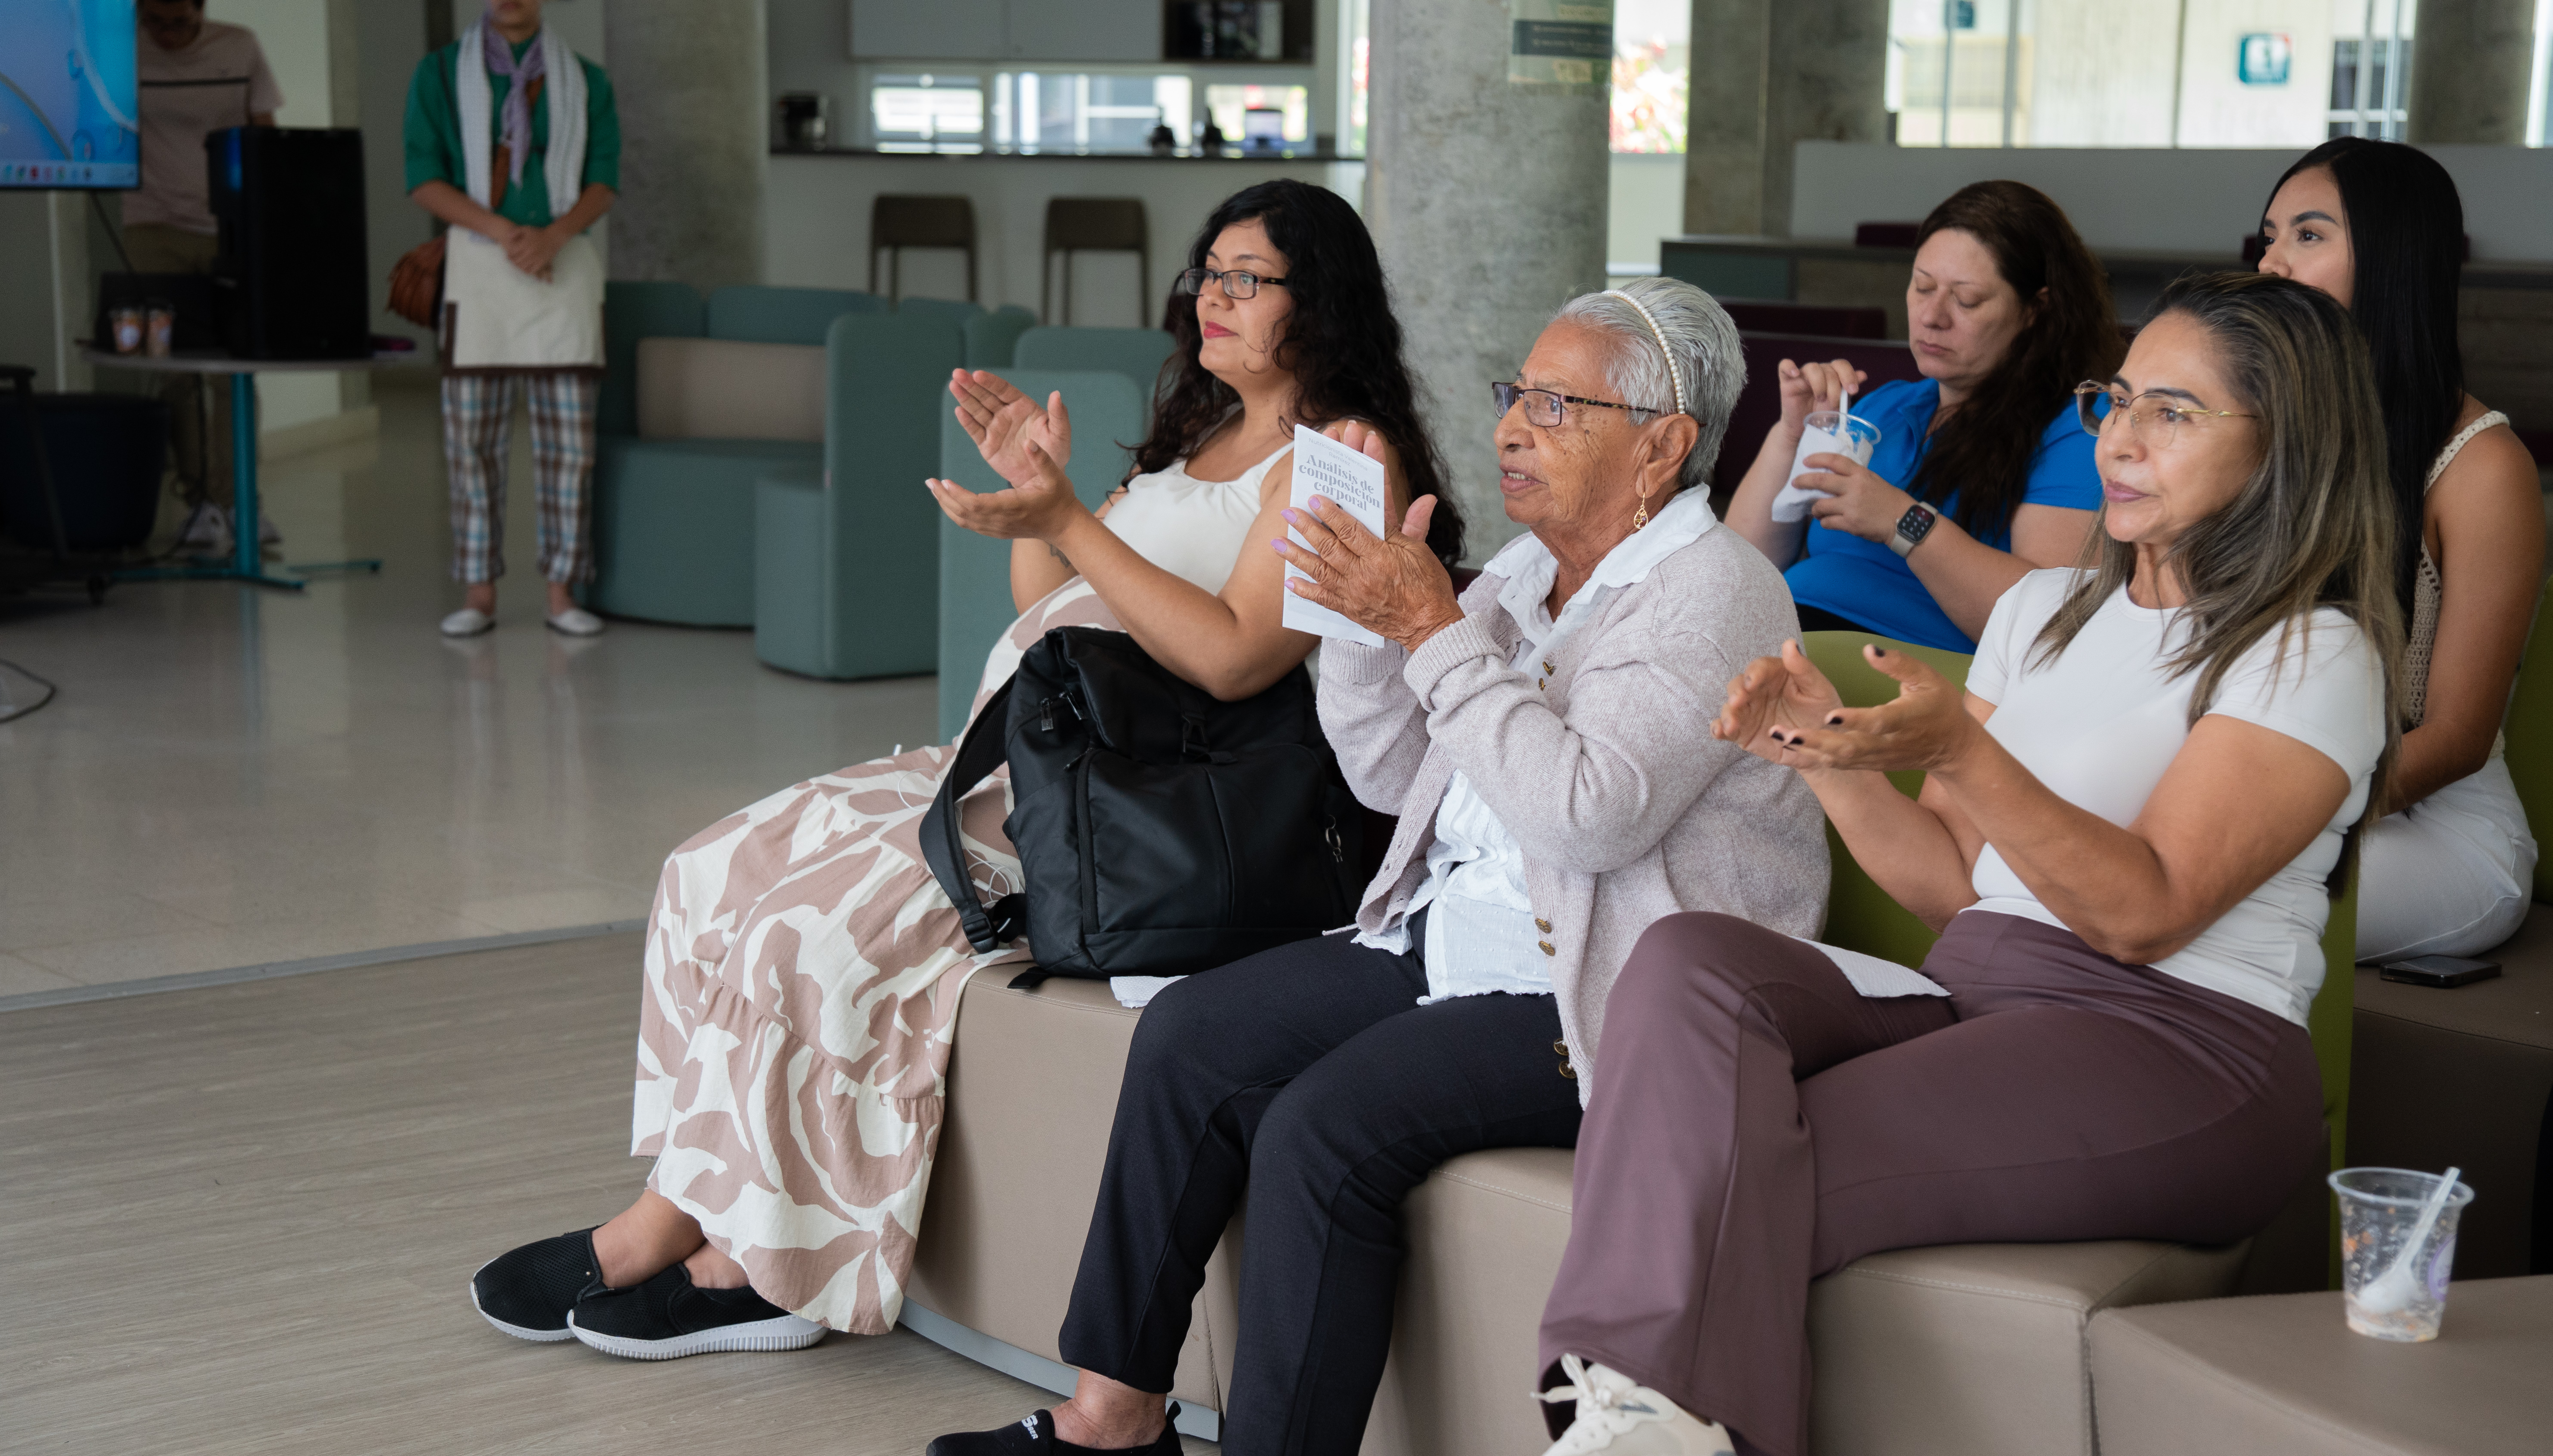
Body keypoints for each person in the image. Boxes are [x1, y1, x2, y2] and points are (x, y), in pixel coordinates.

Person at [465, 180, 1464, 1359]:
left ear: (1323, 300)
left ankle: (755, 1264)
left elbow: (1238, 656)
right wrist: (1043, 504)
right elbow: (1051, 603)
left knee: (804, 931)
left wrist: (1073, 520)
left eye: (1249, 279)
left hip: (1127, 804)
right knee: (709, 869)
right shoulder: (1202, 435)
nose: (1215, 296)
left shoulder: (1342, 460)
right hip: (1011, 759)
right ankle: (691, 1208)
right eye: (1209, 272)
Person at [930, 278, 1827, 1456]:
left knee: (1321, 1126)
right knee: (1189, 1037)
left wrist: (1431, 630)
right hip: (1454, 938)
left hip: (1607, 989)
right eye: (1517, 394)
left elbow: (1587, 819)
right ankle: (1115, 1415)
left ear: (1661, 447)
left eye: (1558, 406)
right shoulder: (1525, 575)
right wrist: (1359, 618)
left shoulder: (1714, 591)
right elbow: (1396, 779)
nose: (1514, 428)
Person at [1530, 271, 2397, 1456]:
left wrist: (1962, 752)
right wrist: (1817, 753)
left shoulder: (2312, 651)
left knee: (1734, 1160)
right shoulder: (2045, 609)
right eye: (2116, 401)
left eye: (2173, 413)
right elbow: (1951, 881)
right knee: (1688, 959)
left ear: (2286, 444)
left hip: (2179, 1041)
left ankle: (1624, 1423)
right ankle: (1645, 1423)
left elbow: (2145, 913)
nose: (2120, 440)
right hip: (1982, 995)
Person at [2256, 138, 2545, 961]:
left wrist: (2262, 812)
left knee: (2205, 891)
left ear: (2393, 260)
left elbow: (2456, 737)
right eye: (2270, 236)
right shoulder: (2268, 425)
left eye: (2309, 235)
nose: (2272, 263)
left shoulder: (2480, 464)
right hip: (2269, 778)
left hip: (2436, 825)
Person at [1724, 180, 2123, 653]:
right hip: (1781, 633)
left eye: (1966, 300)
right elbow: (1740, 570)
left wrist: (1902, 521)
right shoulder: (1887, 406)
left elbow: (2049, 626)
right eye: (1923, 286)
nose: (1932, 316)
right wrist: (1792, 433)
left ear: (2037, 309)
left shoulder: (2078, 426)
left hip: (1895, 663)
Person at [405, 0, 621, 639]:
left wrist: (552, 237)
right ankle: (479, 593)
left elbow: (603, 180)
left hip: (564, 264)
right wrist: (506, 234)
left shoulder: (587, 80)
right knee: (471, 443)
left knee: (571, 448)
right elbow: (423, 177)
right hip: (481, 268)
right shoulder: (440, 74)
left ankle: (562, 592)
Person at [124, 0, 281, 552]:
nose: (166, 33)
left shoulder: (238, 46)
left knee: (233, 371)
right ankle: (200, 505)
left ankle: (239, 500)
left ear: (201, 10)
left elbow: (264, 133)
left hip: (228, 224)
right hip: (153, 225)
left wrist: (266, 216)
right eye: (154, 21)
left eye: (179, 22)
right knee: (176, 372)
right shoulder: (123, 52)